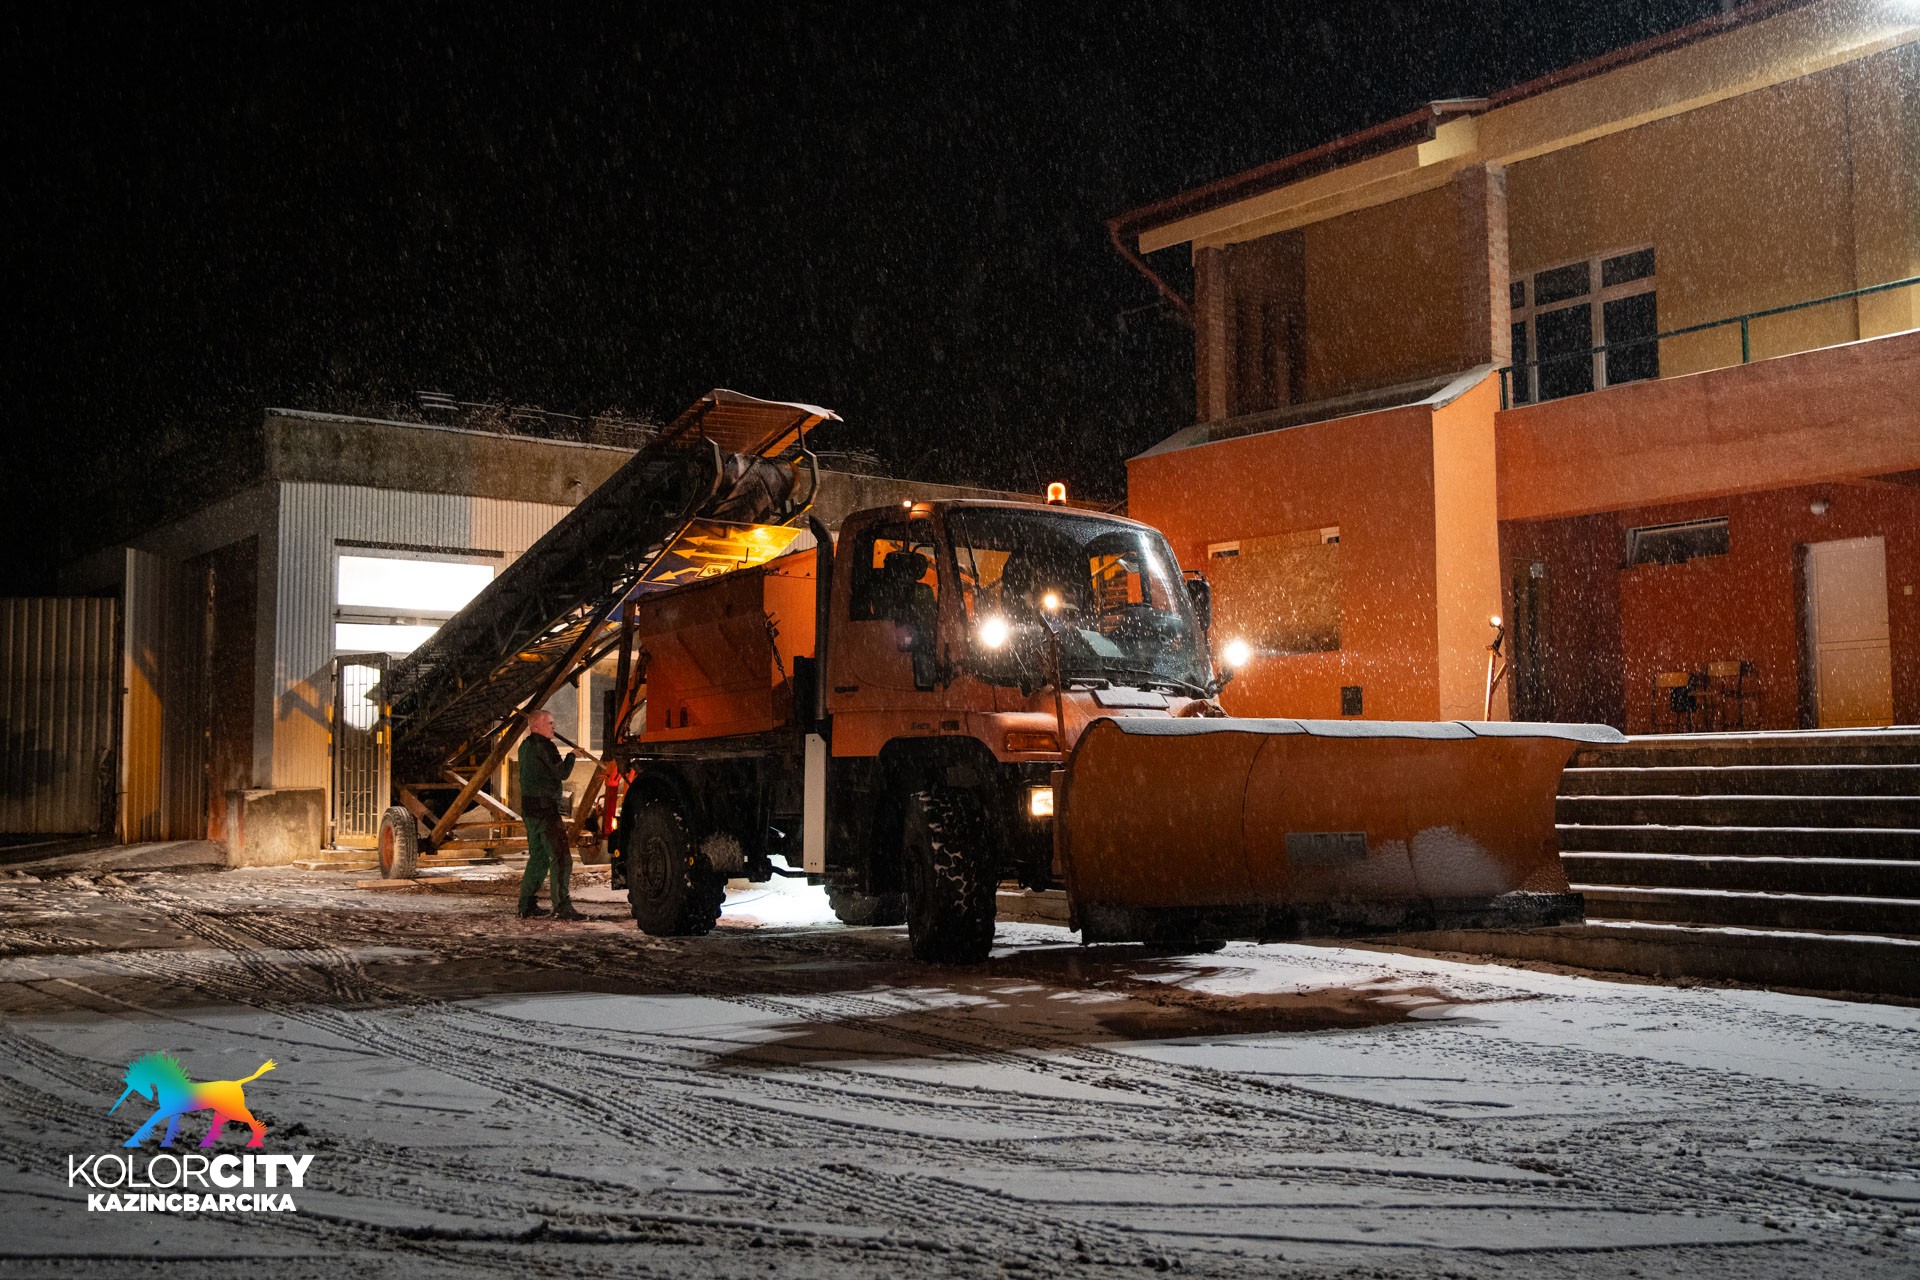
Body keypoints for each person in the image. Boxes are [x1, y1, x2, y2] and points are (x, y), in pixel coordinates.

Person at [516, 709, 586, 921]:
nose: (553, 726)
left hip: (530, 811)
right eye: (549, 723)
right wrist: (572, 756)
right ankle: (562, 906)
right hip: (546, 812)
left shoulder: (525, 746)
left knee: (538, 858)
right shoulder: (545, 746)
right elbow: (562, 772)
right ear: (536, 726)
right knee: (562, 858)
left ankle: (526, 905)